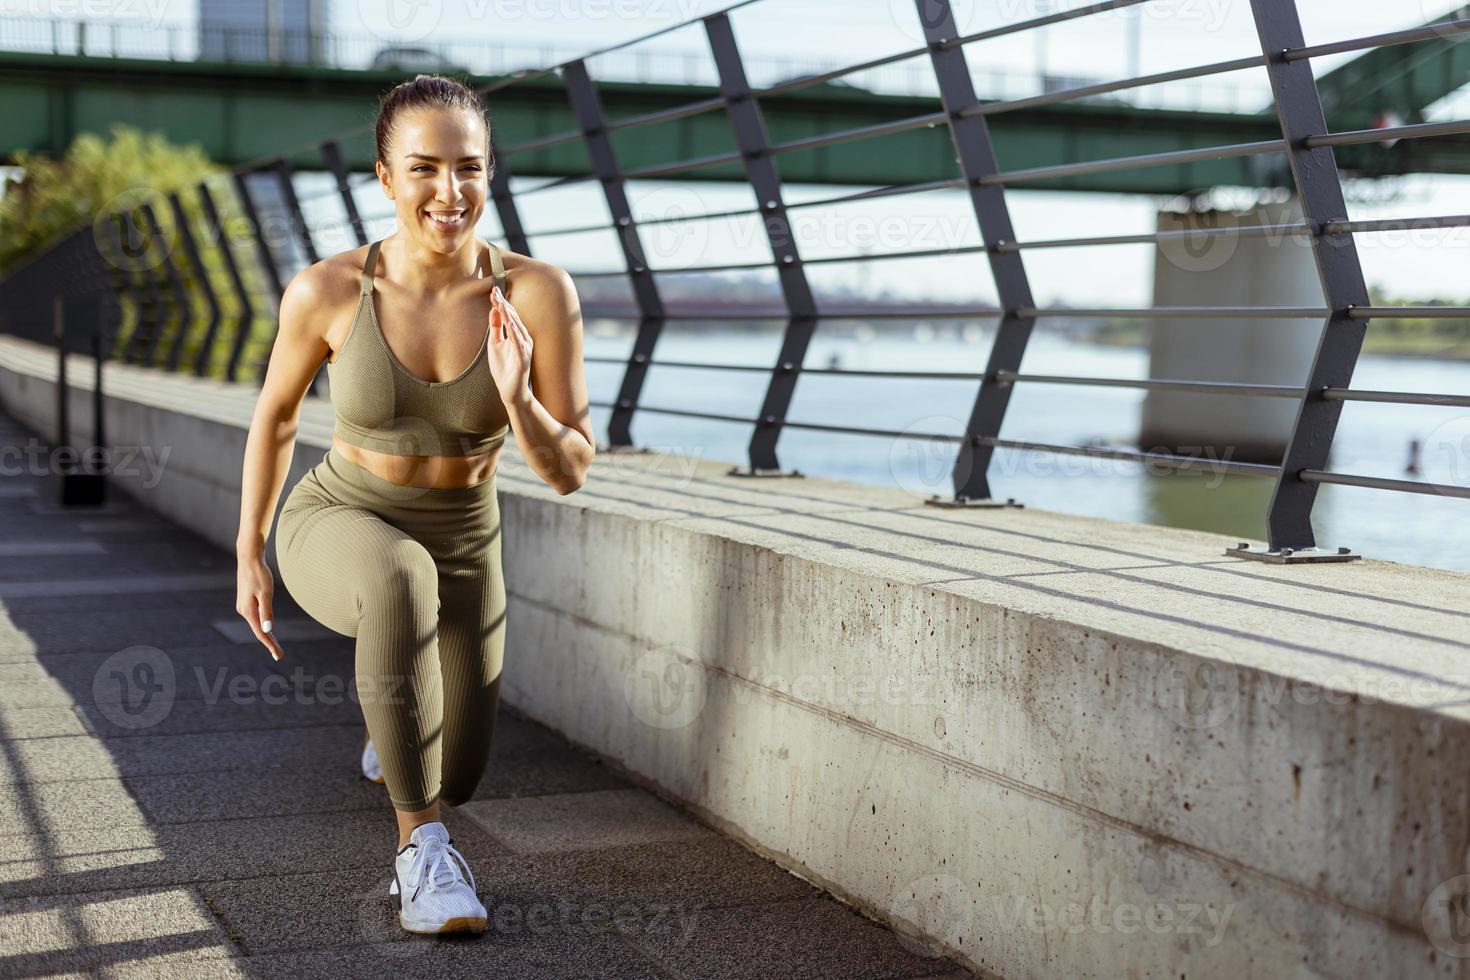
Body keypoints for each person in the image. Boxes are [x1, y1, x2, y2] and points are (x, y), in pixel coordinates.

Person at [233, 74, 594, 935]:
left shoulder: (539, 294)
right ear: (386, 179)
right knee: (398, 580)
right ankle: (422, 856)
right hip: (339, 517)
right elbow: (277, 415)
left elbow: (571, 468)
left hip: (466, 537)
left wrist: (520, 403)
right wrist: (248, 547)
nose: (448, 191)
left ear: (490, 174)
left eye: (468, 168)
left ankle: (396, 720)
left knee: (459, 766)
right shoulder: (326, 290)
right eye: (423, 168)